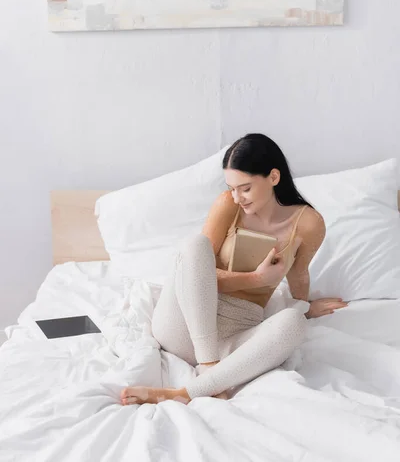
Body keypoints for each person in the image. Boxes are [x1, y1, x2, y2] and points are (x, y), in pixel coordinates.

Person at [120, 133, 347, 405]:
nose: (237, 197)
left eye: (245, 188)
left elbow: (299, 273)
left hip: (235, 335)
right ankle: (208, 368)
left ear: (274, 177)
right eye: (232, 187)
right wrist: (257, 279)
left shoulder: (309, 223)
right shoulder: (227, 204)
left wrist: (305, 307)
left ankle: (184, 394)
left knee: (293, 323)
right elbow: (198, 274)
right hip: (186, 324)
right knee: (195, 244)